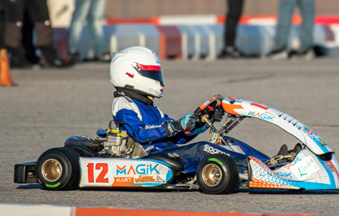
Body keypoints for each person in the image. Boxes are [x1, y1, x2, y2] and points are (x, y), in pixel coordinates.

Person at [108, 47, 275, 173]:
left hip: (166, 152)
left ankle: (272, 164)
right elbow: (140, 133)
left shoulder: (150, 107)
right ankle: (255, 169)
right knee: (202, 148)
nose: (156, 79)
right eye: (151, 74)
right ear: (129, 74)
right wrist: (175, 125)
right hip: (149, 157)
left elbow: (177, 138)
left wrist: (201, 123)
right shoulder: (124, 103)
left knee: (226, 142)